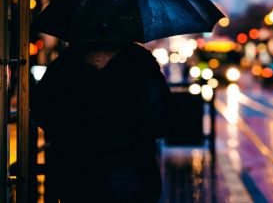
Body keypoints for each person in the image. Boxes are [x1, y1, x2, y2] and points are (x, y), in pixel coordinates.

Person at [30, 41, 179, 202]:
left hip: (78, 177)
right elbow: (165, 120)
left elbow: (41, 109)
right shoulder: (140, 61)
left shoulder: (66, 62)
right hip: (134, 176)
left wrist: (70, 133)